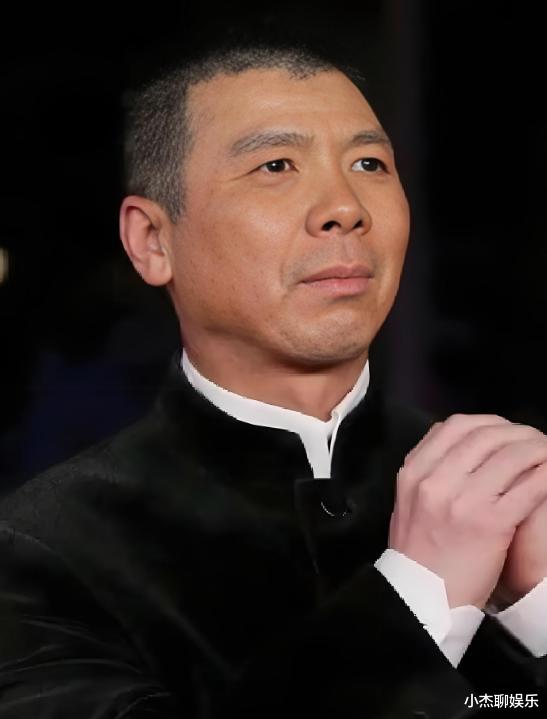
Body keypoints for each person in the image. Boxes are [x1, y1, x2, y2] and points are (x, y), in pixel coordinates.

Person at [1, 44, 546, 718]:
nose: (345, 208)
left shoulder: (501, 492)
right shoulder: (41, 552)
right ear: (152, 240)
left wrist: (539, 611)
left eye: (369, 164)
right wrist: (419, 599)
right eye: (276, 165)